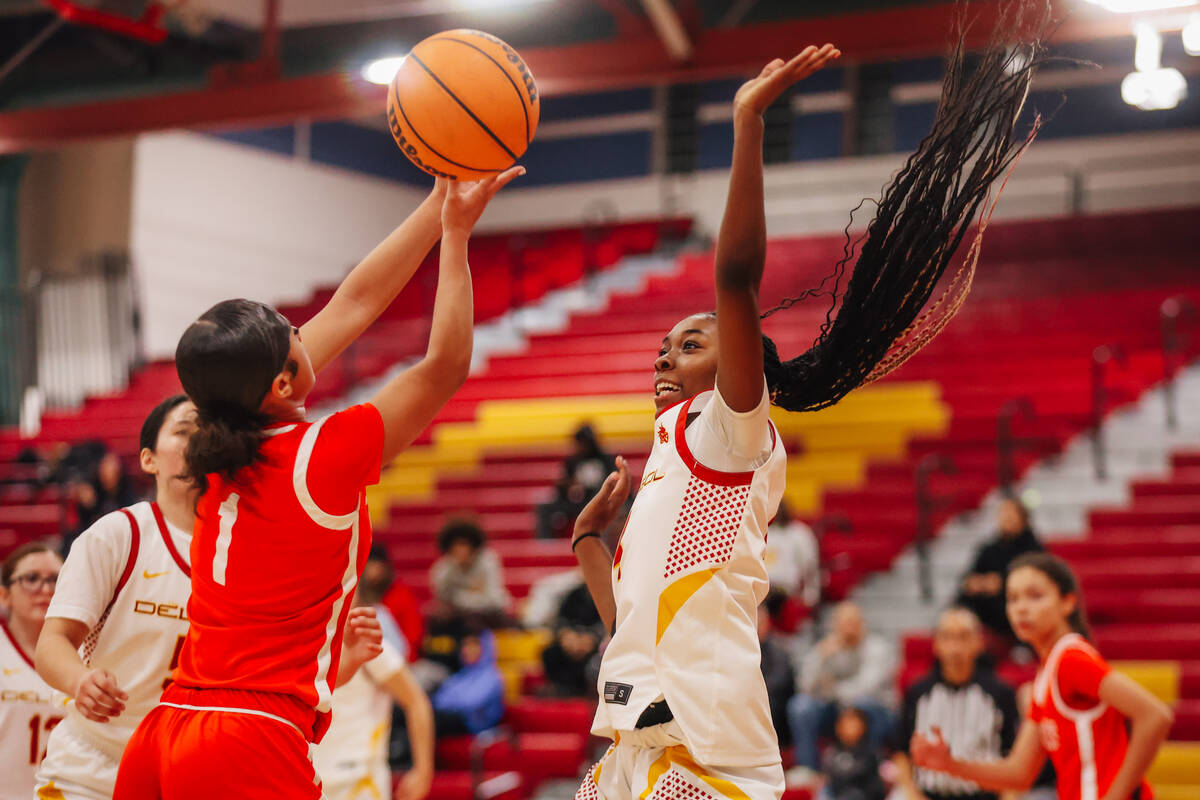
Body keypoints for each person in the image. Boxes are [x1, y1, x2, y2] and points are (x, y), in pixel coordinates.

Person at [571, 8, 1050, 794]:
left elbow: (734, 277)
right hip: (636, 738)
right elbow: (630, 624)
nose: (666, 353)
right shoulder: (667, 461)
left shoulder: (728, 433)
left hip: (704, 747)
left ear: (741, 365)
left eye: (691, 343)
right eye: (663, 346)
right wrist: (591, 543)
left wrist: (748, 123)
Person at [113, 168, 522, 800]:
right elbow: (445, 364)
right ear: (281, 383)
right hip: (249, 737)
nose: (310, 333)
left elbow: (355, 302)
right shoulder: (323, 454)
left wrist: (440, 201)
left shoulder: (220, 445)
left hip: (167, 732)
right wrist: (457, 235)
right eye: (297, 336)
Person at [34, 396, 198, 800]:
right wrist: (80, 679)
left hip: (184, 773)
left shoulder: (240, 551)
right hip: (92, 768)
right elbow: (52, 643)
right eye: (183, 431)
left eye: (208, 433)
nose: (198, 442)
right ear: (149, 460)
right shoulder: (118, 535)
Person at [911, 553, 1174, 800]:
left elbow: (1155, 716)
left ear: (1067, 602)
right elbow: (1019, 773)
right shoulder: (1047, 671)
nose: (1021, 608)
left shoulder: (1071, 659)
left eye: (1035, 596)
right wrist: (950, 765)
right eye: (1013, 599)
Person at [314, 588, 435, 800]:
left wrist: (423, 770)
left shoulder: (366, 643)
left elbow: (417, 702)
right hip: (313, 777)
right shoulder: (308, 647)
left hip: (360, 780)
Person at [892, 608, 1020, 800]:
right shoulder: (917, 693)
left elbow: (1015, 756)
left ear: (979, 642)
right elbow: (901, 753)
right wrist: (912, 794)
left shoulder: (1001, 693)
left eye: (964, 637)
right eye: (948, 637)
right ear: (936, 644)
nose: (956, 647)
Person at [788, 602, 895, 775]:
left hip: (873, 712)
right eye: (844, 624)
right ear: (834, 626)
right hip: (836, 710)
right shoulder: (827, 648)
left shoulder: (878, 648)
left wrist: (831, 690)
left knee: (863, 703)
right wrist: (821, 658)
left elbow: (866, 687)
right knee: (801, 707)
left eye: (853, 623)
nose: (849, 629)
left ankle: (873, 765)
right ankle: (808, 769)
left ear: (863, 624)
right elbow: (805, 686)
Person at [0, 542, 63, 800]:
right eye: (31, 579)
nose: (46, 589)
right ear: (4, 595)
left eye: (56, 579)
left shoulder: (87, 653)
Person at [957, 497, 1043, 642]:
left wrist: (1002, 583)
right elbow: (970, 577)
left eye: (1011, 514)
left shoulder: (1033, 548)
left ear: (1022, 519)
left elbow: (1036, 579)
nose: (1006, 518)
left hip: (1011, 601)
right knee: (963, 601)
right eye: (1003, 514)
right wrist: (977, 584)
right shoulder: (990, 548)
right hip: (987, 601)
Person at [536, 424, 617, 539]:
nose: (580, 447)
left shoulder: (605, 460)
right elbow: (561, 485)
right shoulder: (572, 461)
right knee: (544, 508)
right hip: (576, 503)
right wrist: (567, 485)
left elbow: (614, 482)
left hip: (597, 503)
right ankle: (546, 545)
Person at [429, 518, 511, 629]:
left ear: (473, 545)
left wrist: (460, 599)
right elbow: (443, 600)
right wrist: (475, 594)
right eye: (455, 545)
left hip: (488, 617)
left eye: (464, 544)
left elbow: (494, 599)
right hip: (458, 622)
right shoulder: (443, 569)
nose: (460, 550)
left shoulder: (488, 561)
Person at [430, 628, 505, 736]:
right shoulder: (461, 675)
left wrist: (452, 702)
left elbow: (470, 704)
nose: (467, 650)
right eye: (465, 645)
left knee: (427, 719)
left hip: (472, 727)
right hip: (451, 721)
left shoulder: (492, 676)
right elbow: (438, 700)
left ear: (485, 647)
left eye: (473, 645)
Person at [821, 706, 887, 800]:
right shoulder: (831, 752)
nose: (849, 727)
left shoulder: (871, 752)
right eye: (845, 723)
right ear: (837, 727)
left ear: (863, 726)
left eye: (853, 722)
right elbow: (828, 779)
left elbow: (874, 787)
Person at [757, 606, 796, 749]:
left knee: (766, 703)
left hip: (776, 701)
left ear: (767, 623)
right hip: (751, 697)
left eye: (759, 622)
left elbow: (780, 681)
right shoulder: (740, 648)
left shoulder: (778, 649)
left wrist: (753, 691)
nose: (756, 626)